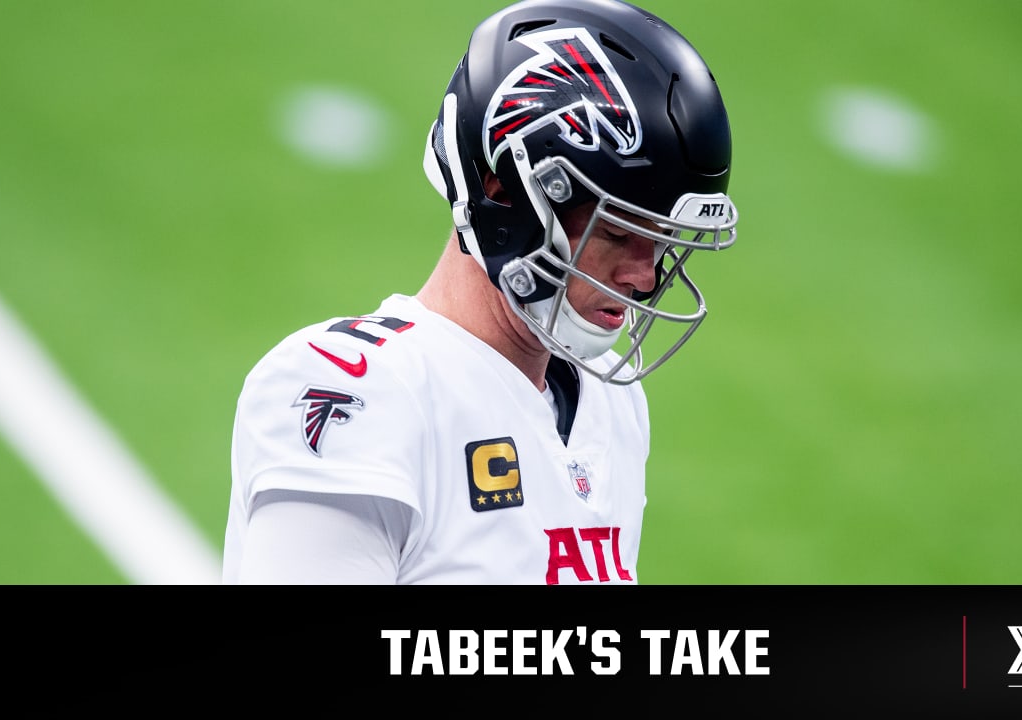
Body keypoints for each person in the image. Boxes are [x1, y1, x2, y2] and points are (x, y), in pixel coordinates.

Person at [222, 0, 738, 584]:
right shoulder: (357, 389)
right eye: (618, 232)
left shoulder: (612, 402)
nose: (645, 277)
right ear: (504, 194)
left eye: (661, 239)